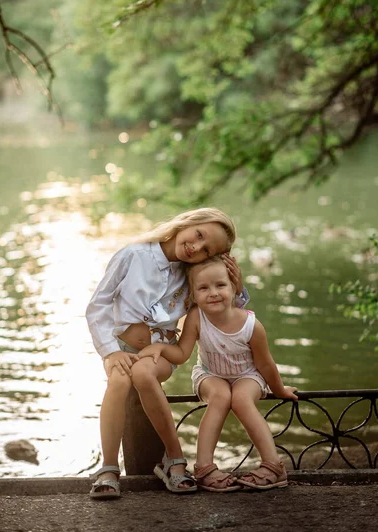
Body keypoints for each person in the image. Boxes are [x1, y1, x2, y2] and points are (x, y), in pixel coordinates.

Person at [86, 208, 249, 499]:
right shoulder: (133, 255)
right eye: (198, 235)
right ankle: (108, 469)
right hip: (120, 349)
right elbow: (98, 305)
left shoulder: (192, 275)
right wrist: (110, 353)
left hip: (160, 352)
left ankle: (175, 460)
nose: (196, 247)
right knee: (119, 382)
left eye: (206, 249)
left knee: (143, 373)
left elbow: (221, 305)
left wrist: (238, 286)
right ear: (188, 223)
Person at [139, 255, 298, 492]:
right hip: (209, 374)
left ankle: (273, 466)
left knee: (241, 399)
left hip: (248, 374)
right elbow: (182, 354)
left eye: (220, 285)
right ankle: (204, 467)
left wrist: (280, 390)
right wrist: (161, 347)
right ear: (193, 295)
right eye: (203, 288)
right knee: (221, 396)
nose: (213, 292)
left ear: (234, 287)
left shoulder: (251, 325)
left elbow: (265, 365)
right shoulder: (195, 318)